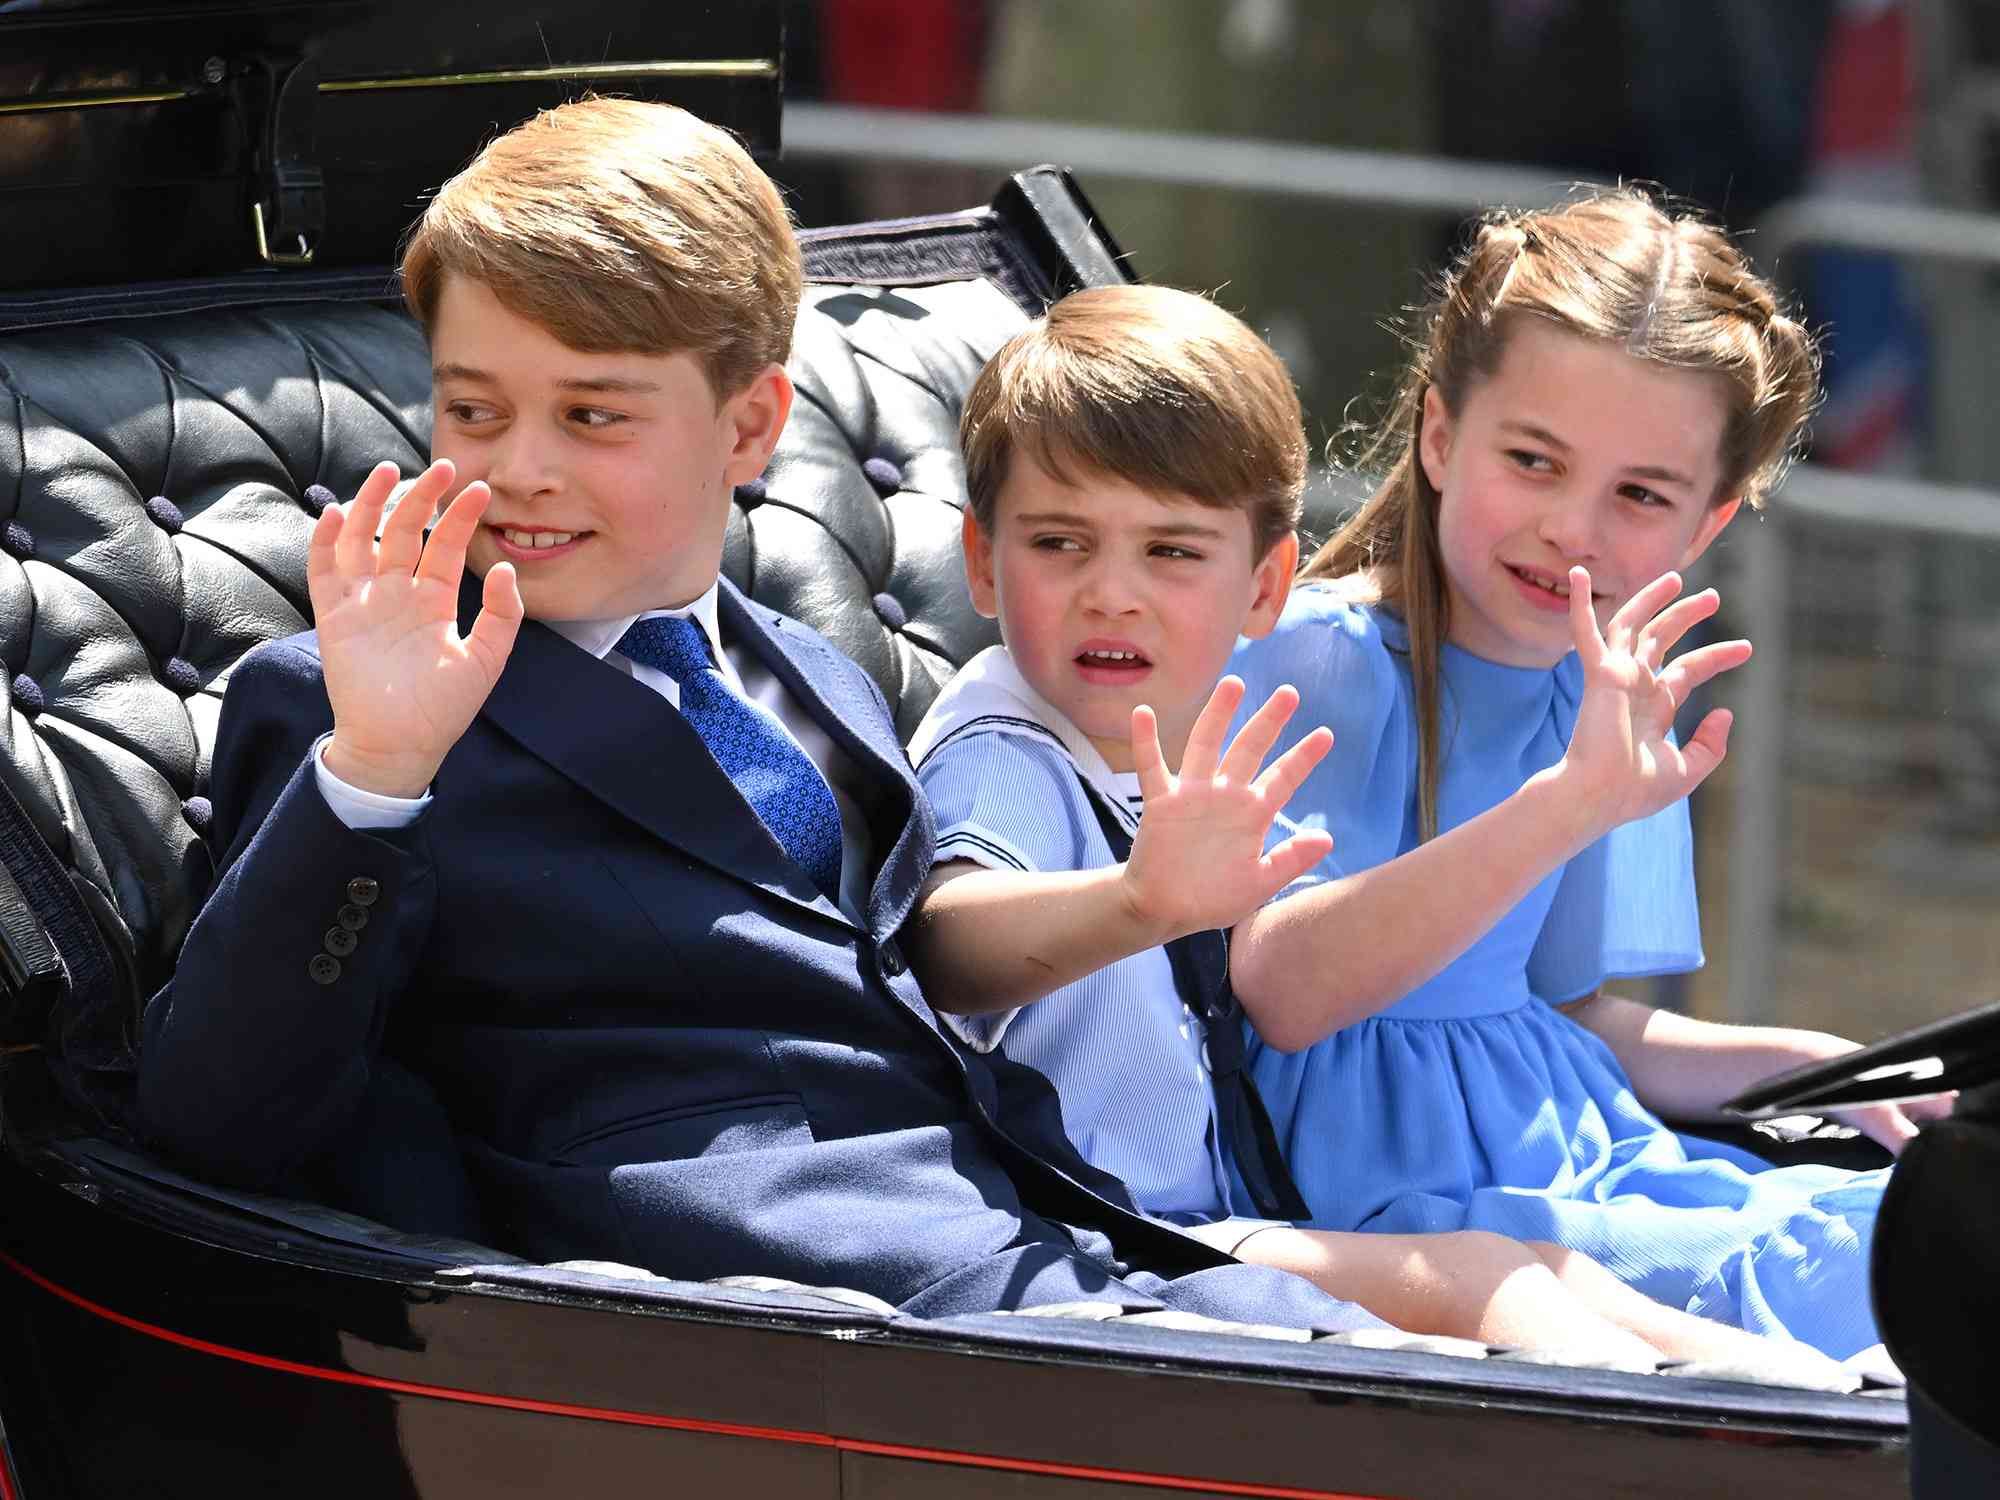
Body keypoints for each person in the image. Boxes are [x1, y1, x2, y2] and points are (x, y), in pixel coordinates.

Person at [131, 95, 1402, 1332]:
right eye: (474, 409)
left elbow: (909, 981)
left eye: (591, 414)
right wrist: (374, 771)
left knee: (1475, 1368)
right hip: (767, 1301)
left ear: (749, 427)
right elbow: (217, 1120)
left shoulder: (811, 669)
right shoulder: (351, 704)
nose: (519, 464)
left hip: (1036, 1230)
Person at [902, 281, 1851, 1373]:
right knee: (1495, 1276)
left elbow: (1563, 1012)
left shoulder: (1168, 739)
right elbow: (946, 941)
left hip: (1221, 1208)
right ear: (981, 559)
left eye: (1168, 553)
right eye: (1061, 544)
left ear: (1258, 586)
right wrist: (1134, 901)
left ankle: (1826, 1402)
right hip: (1119, 1234)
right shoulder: (1009, 740)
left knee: (1573, 1280)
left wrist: (1816, 1067)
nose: (1112, 593)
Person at [1223, 188, 1943, 1361]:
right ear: (1440, 436)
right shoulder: (1308, 658)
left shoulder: (1610, 687)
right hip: (1418, 1211)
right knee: (1877, 1285)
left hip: (1592, 1158)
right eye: (1531, 460)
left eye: (1639, 496)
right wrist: (1564, 804)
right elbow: (1283, 995)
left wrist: (1812, 1068)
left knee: (1895, 1228)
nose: (1572, 528)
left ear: (1704, 527)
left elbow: (1570, 1020)